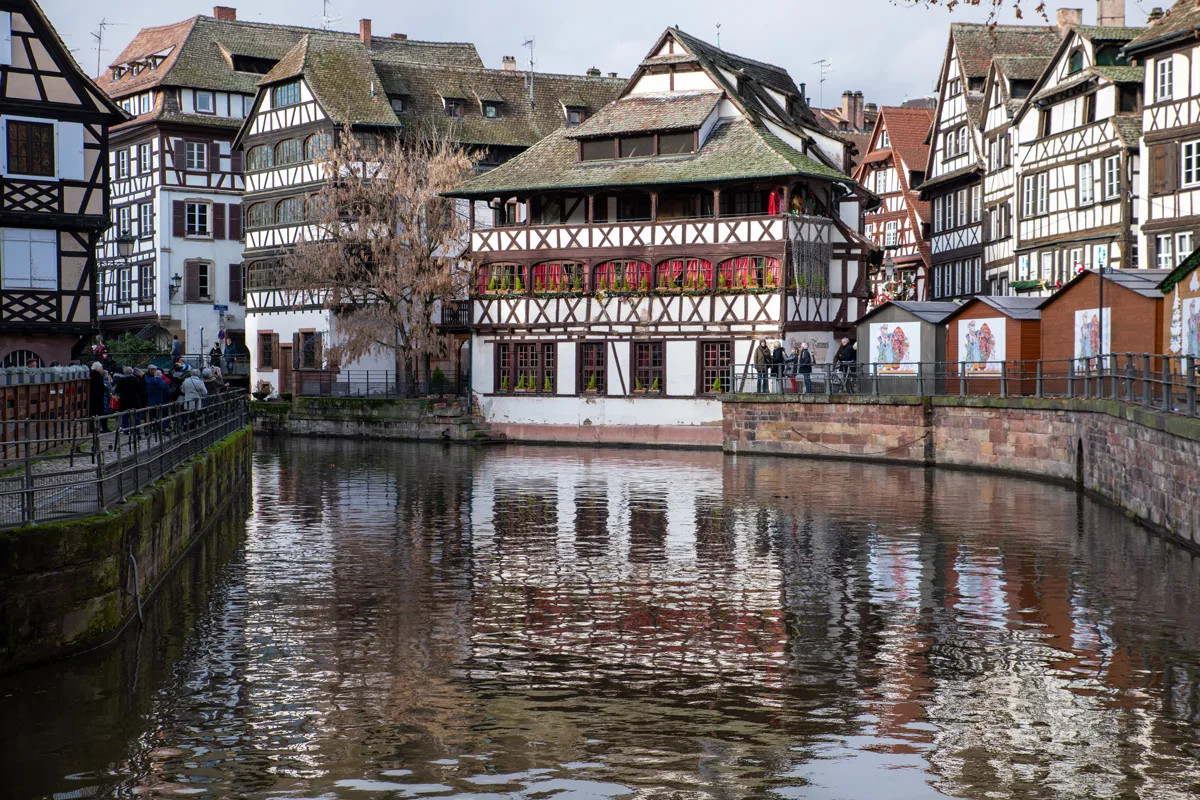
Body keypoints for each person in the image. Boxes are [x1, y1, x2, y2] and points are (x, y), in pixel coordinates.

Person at [89, 361, 110, 431]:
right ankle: (103, 427)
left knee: (92, 413)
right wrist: (105, 387)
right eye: (101, 367)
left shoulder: (90, 375)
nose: (102, 368)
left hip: (92, 396)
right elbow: (101, 386)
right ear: (98, 368)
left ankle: (92, 428)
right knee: (101, 412)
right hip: (98, 397)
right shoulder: (98, 376)